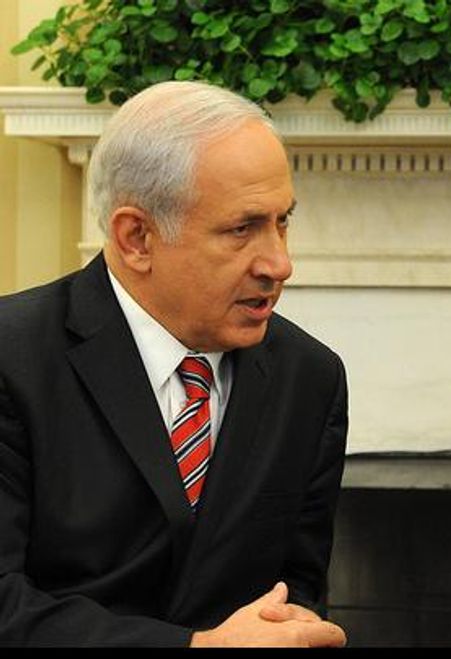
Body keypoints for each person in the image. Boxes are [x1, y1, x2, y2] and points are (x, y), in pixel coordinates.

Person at [0, 81, 349, 647]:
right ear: (136, 237)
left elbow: (296, 593)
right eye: (243, 228)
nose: (280, 263)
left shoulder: (310, 378)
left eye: (282, 220)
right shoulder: (13, 359)